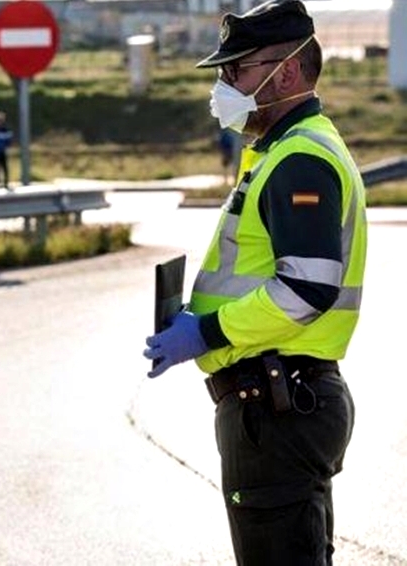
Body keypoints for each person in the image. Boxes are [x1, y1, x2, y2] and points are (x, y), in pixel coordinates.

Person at [142, 2, 366, 563]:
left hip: (277, 406)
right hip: (281, 402)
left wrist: (208, 332)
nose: (224, 85)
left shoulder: (299, 160)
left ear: (285, 70)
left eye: (235, 70)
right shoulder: (283, 151)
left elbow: (306, 290)